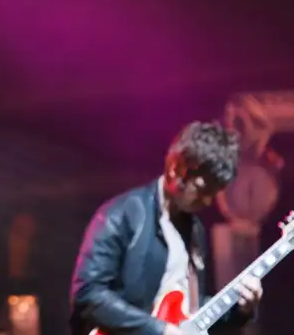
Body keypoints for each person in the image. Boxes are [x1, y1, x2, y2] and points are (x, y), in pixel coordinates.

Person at [69, 121, 263, 335]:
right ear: (175, 169)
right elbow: (88, 296)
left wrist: (240, 309)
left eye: (213, 193)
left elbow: (191, 313)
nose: (207, 201)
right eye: (201, 189)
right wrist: (159, 330)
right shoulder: (121, 216)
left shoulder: (194, 230)